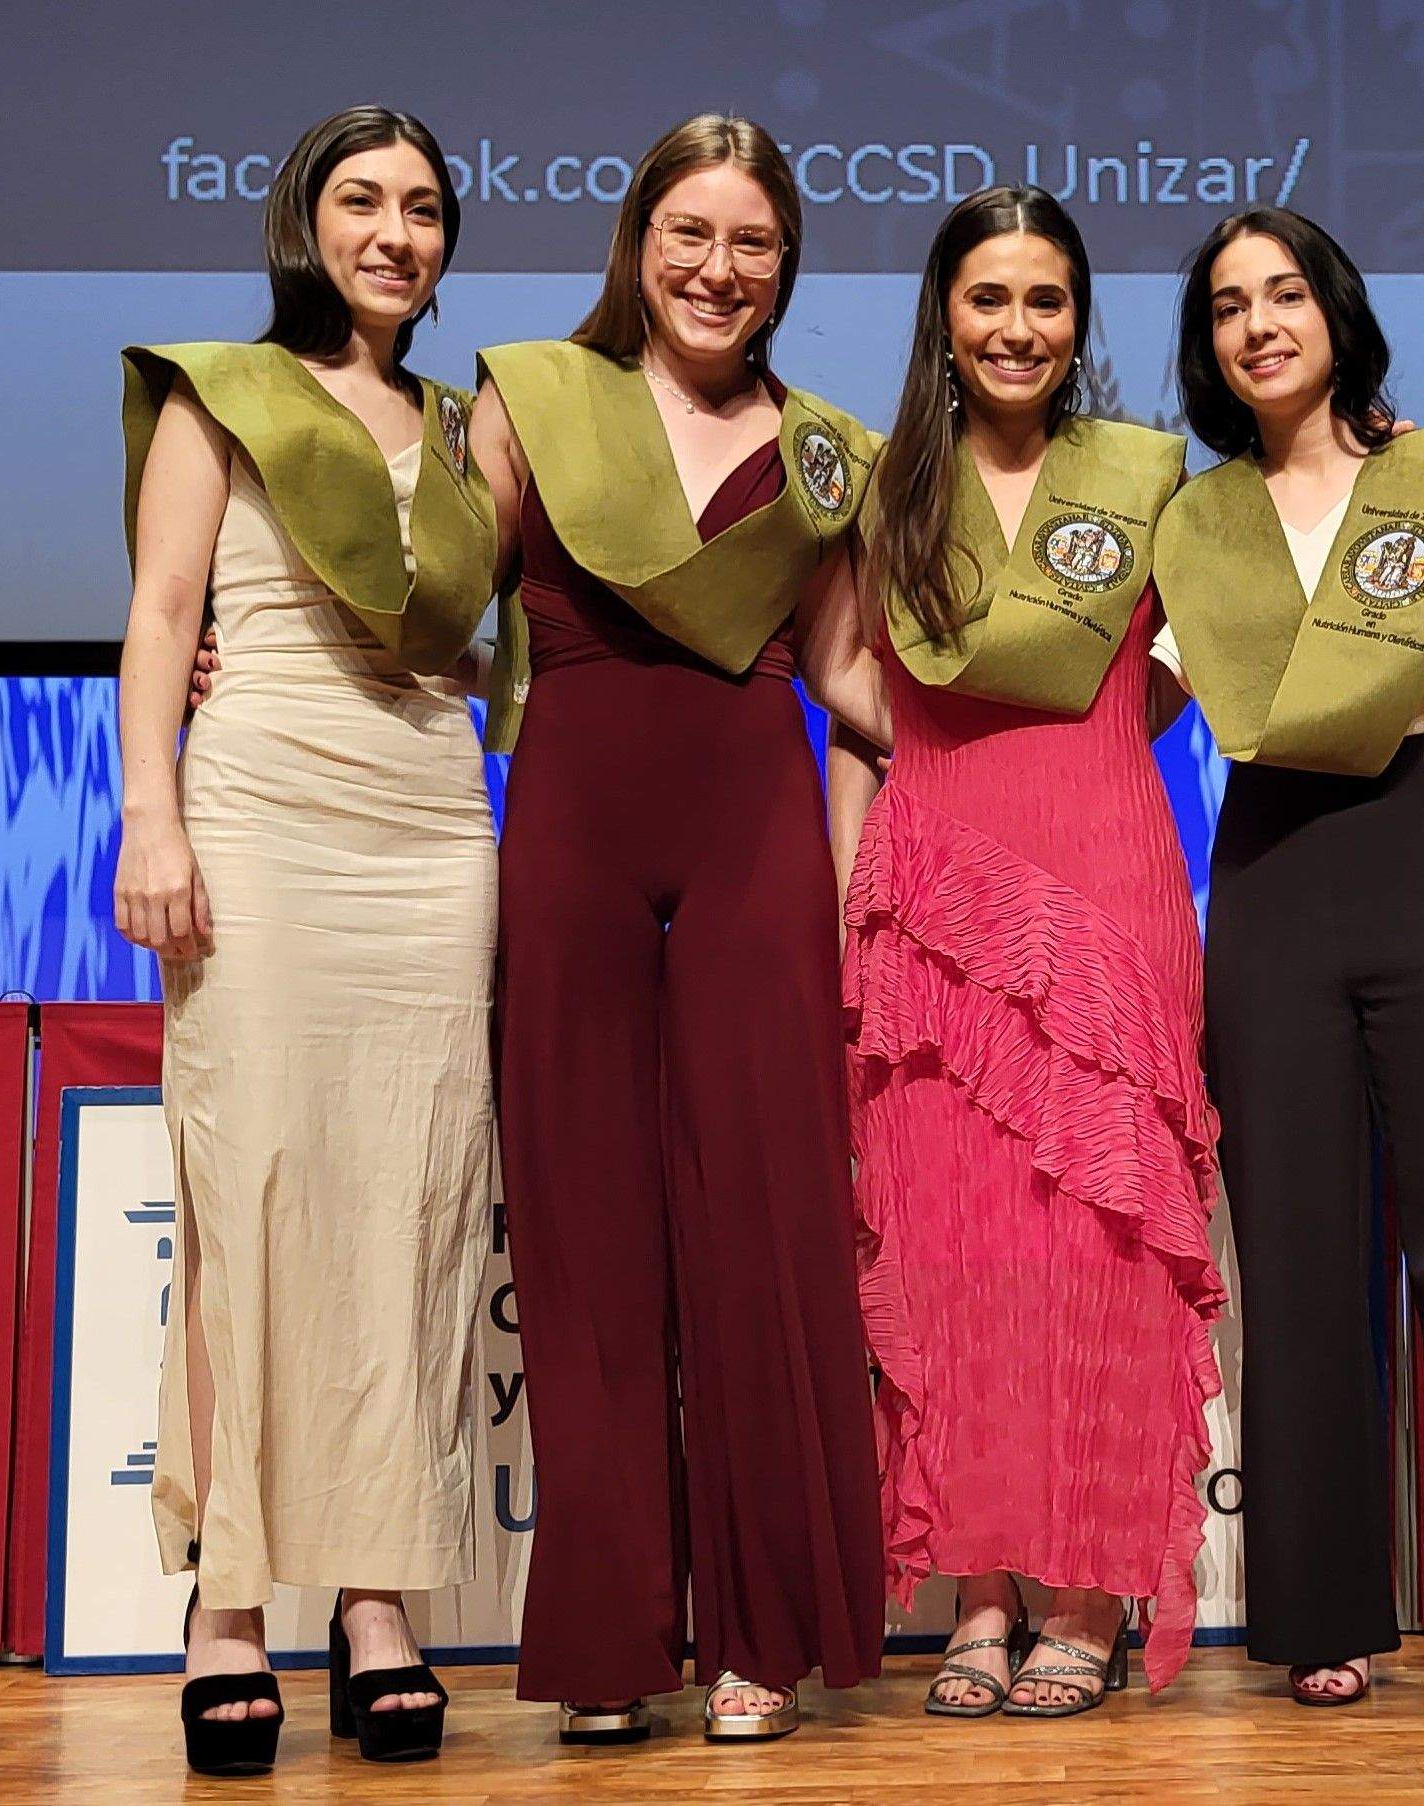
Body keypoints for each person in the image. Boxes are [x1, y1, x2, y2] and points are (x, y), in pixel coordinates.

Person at [462, 113, 888, 1746]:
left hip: (751, 839)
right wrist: (260, 648)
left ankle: (759, 1636)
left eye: (753, 242)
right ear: (638, 241)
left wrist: (1045, 728)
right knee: (584, 1233)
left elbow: (845, 672)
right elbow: (438, 615)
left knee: (765, 1226)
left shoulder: (828, 451)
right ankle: (606, 1638)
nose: (720, 268)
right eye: (690, 233)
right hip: (571, 830)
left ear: (787, 264)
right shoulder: (531, 399)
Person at [1149, 206, 1424, 1729]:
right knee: (1300, 1260)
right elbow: (1132, 701)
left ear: (1335, 310)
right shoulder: (1193, 520)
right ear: (1206, 346)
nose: (1257, 324)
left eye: (1283, 294)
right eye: (1226, 307)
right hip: (1272, 874)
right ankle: (1322, 1615)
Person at [108, 104, 498, 1773]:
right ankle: (228, 1604)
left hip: (432, 825)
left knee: (415, 1200)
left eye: (422, 208)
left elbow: (482, 645)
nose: (394, 234)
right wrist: (151, 813)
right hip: (261, 806)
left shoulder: (475, 426)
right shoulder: (224, 392)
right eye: (362, 201)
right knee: (250, 1193)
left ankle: (377, 1599)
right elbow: (162, 615)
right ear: (304, 222)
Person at [824, 185, 1220, 1719]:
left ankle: (1086, 1592)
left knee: (1093, 1253)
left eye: (1044, 299)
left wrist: (1084, 745)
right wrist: (899, 836)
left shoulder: (1143, 480)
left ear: (1076, 320)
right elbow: (846, 685)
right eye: (986, 297)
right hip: (933, 908)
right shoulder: (881, 489)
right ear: (943, 315)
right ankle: (977, 1588)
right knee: (953, 1249)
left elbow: (1190, 665)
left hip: (1105, 890)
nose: (1015, 327)